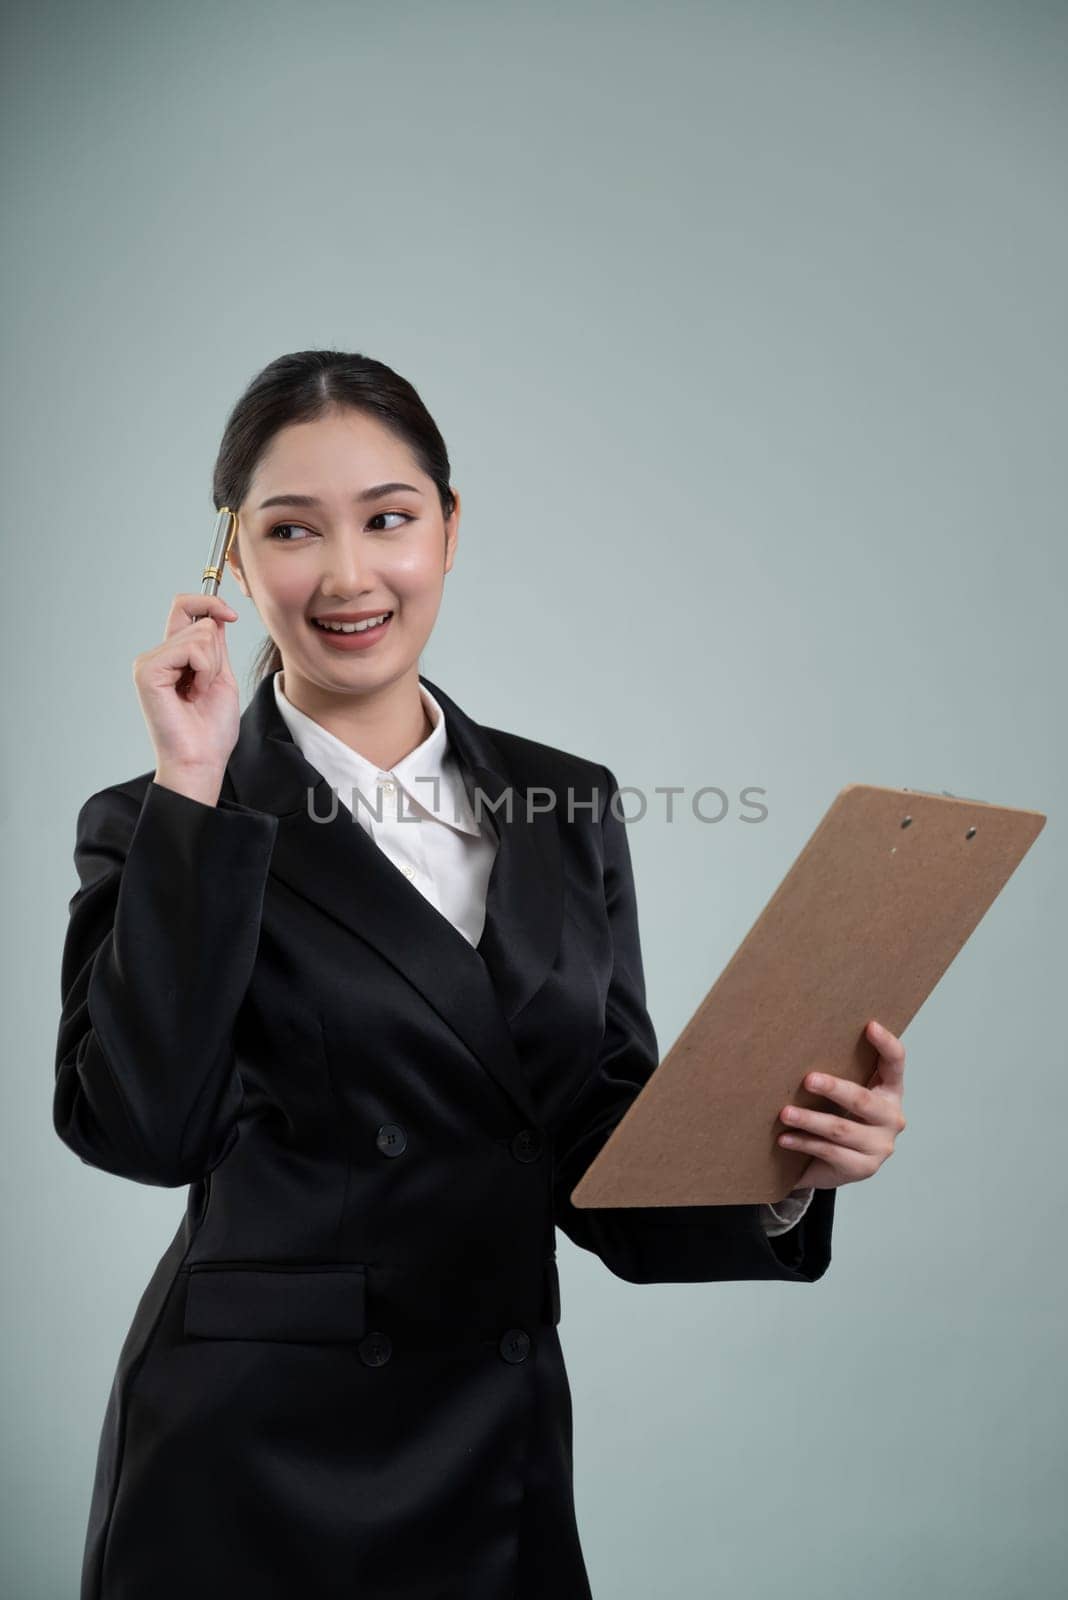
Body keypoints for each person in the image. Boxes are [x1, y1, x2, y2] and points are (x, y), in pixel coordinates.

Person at [54, 349, 907, 1599]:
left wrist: (786, 1169)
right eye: (294, 530)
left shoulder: (570, 804)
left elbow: (596, 1149)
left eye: (390, 519)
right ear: (235, 559)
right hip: (251, 1463)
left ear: (451, 531)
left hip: (493, 1446)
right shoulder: (163, 815)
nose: (349, 576)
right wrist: (197, 782)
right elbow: (145, 1128)